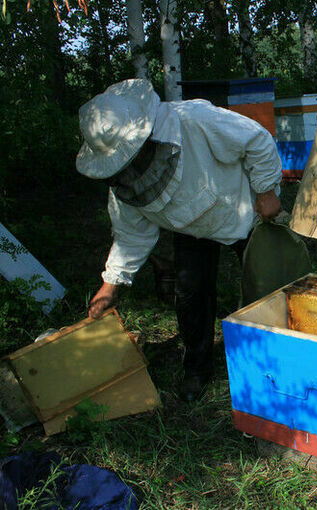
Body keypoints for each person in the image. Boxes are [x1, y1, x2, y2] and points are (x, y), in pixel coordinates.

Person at [77, 79, 283, 401]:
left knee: (267, 285)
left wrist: (267, 190)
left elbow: (256, 139)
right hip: (191, 228)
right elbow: (131, 236)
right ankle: (197, 368)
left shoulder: (193, 120)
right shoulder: (125, 187)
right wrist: (110, 285)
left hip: (240, 207)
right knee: (190, 294)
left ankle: (278, 359)